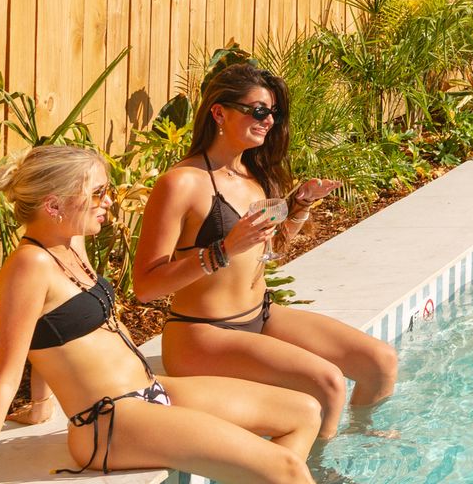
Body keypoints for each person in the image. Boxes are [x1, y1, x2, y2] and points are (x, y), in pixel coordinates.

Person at [0, 146, 320, 484]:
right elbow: (3, 383)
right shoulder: (29, 266)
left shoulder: (70, 242)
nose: (109, 201)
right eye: (98, 193)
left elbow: (48, 331)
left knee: (303, 411)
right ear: (54, 205)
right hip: (111, 421)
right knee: (285, 467)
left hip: (149, 392)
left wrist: (40, 406)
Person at [135, 61, 399, 440]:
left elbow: (265, 251)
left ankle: (357, 445)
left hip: (259, 315)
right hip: (202, 335)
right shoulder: (181, 183)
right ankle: (316, 475)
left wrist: (300, 205)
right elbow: (146, 286)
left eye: (273, 113)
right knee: (327, 384)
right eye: (259, 110)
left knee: (380, 362)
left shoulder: (253, 175)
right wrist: (221, 250)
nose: (269, 120)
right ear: (219, 113)